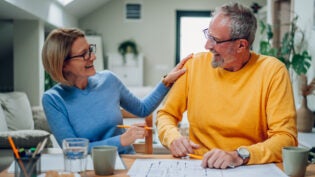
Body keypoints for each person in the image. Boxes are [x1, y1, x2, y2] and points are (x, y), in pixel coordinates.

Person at [156, 2, 297, 169]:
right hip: (199, 166)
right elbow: (165, 115)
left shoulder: (273, 71)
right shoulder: (194, 65)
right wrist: (173, 138)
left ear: (241, 45)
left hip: (249, 167)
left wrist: (239, 155)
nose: (207, 45)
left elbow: (286, 138)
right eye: (208, 35)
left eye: (215, 40)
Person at [41, 28, 191, 154]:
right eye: (83, 54)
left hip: (125, 162)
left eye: (90, 50)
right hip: (88, 169)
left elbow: (143, 109)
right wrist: (122, 140)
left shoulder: (108, 80)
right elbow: (73, 150)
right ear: (63, 64)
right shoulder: (53, 99)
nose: (93, 57)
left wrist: (167, 81)